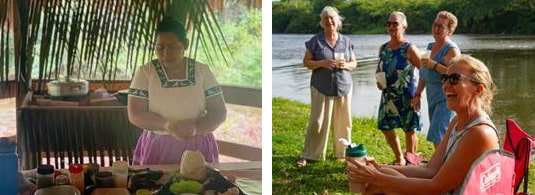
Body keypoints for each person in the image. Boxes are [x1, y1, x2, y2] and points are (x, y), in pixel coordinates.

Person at [348, 55, 499, 195]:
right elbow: (430, 170)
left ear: (478, 89)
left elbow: (436, 186)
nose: (446, 85)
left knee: (380, 184)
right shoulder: (457, 122)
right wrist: (378, 169)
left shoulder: (479, 133)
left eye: (454, 79)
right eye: (444, 79)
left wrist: (377, 178)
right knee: (382, 180)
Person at [127, 18, 227, 165]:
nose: (166, 53)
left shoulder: (202, 71)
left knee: (202, 186)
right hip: (159, 145)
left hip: (198, 145)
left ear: (185, 44)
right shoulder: (145, 73)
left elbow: (219, 112)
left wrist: (195, 128)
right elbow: (135, 114)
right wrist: (166, 125)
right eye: (160, 47)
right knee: (155, 185)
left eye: (172, 46)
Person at [297, 6, 357, 167]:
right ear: (322, 22)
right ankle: (311, 154)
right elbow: (306, 62)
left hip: (343, 86)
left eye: (332, 18)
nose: (329, 21)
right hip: (321, 86)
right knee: (317, 122)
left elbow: (354, 63)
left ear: (337, 22)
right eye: (326, 19)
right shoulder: (315, 41)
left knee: (344, 122)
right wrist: (322, 63)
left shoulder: (346, 41)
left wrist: (346, 65)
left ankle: (342, 153)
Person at [376, 11, 422, 166]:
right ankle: (399, 157)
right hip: (388, 95)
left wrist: (418, 95)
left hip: (408, 96)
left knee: (410, 130)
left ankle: (411, 162)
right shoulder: (383, 48)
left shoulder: (409, 48)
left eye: (395, 23)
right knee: (385, 126)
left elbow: (425, 71)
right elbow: (379, 68)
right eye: (388, 23)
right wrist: (378, 80)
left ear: (404, 26)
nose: (391, 26)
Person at [412, 11, 461, 149]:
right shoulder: (430, 47)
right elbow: (424, 73)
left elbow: (456, 74)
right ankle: (442, 164)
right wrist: (417, 94)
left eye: (441, 26)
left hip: (447, 98)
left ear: (449, 31)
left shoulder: (451, 50)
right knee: (440, 135)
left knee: (437, 132)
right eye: (435, 25)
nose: (436, 29)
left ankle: (442, 166)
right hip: (432, 97)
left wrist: (435, 65)